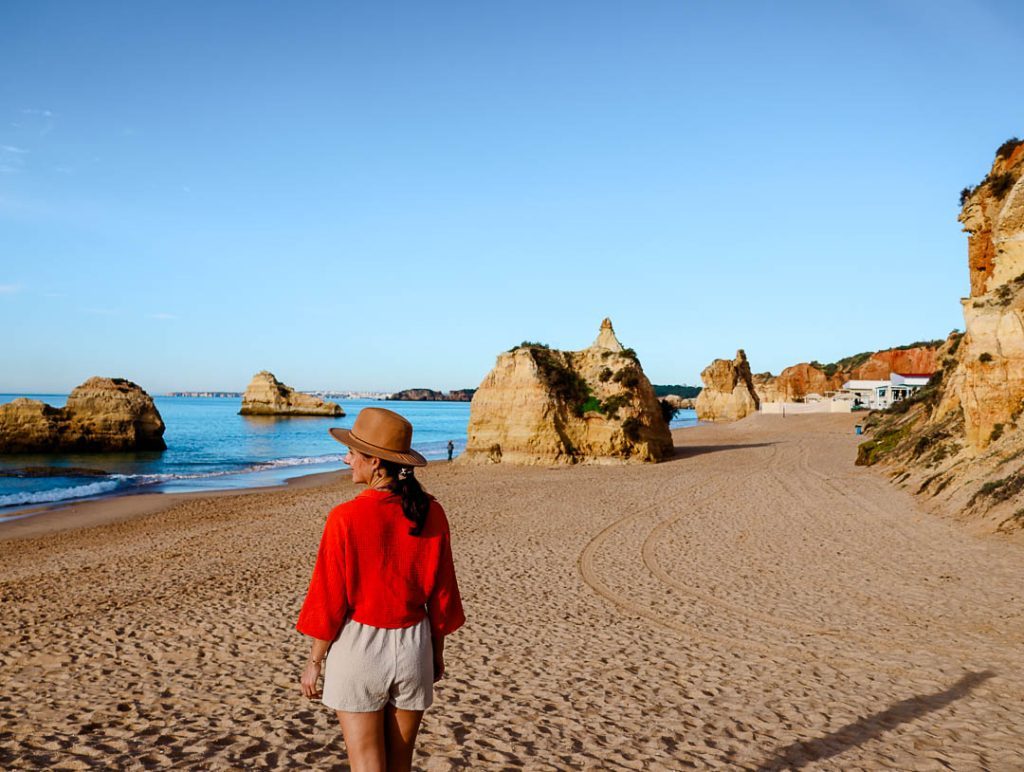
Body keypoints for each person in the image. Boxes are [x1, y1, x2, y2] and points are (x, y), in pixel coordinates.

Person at [297, 407, 465, 771]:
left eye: (353, 453)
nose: (346, 459)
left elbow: (329, 599)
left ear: (374, 462)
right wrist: (436, 653)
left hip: (359, 650)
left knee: (366, 765)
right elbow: (442, 594)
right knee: (400, 764)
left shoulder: (345, 517)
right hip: (414, 646)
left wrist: (314, 662)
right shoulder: (431, 512)